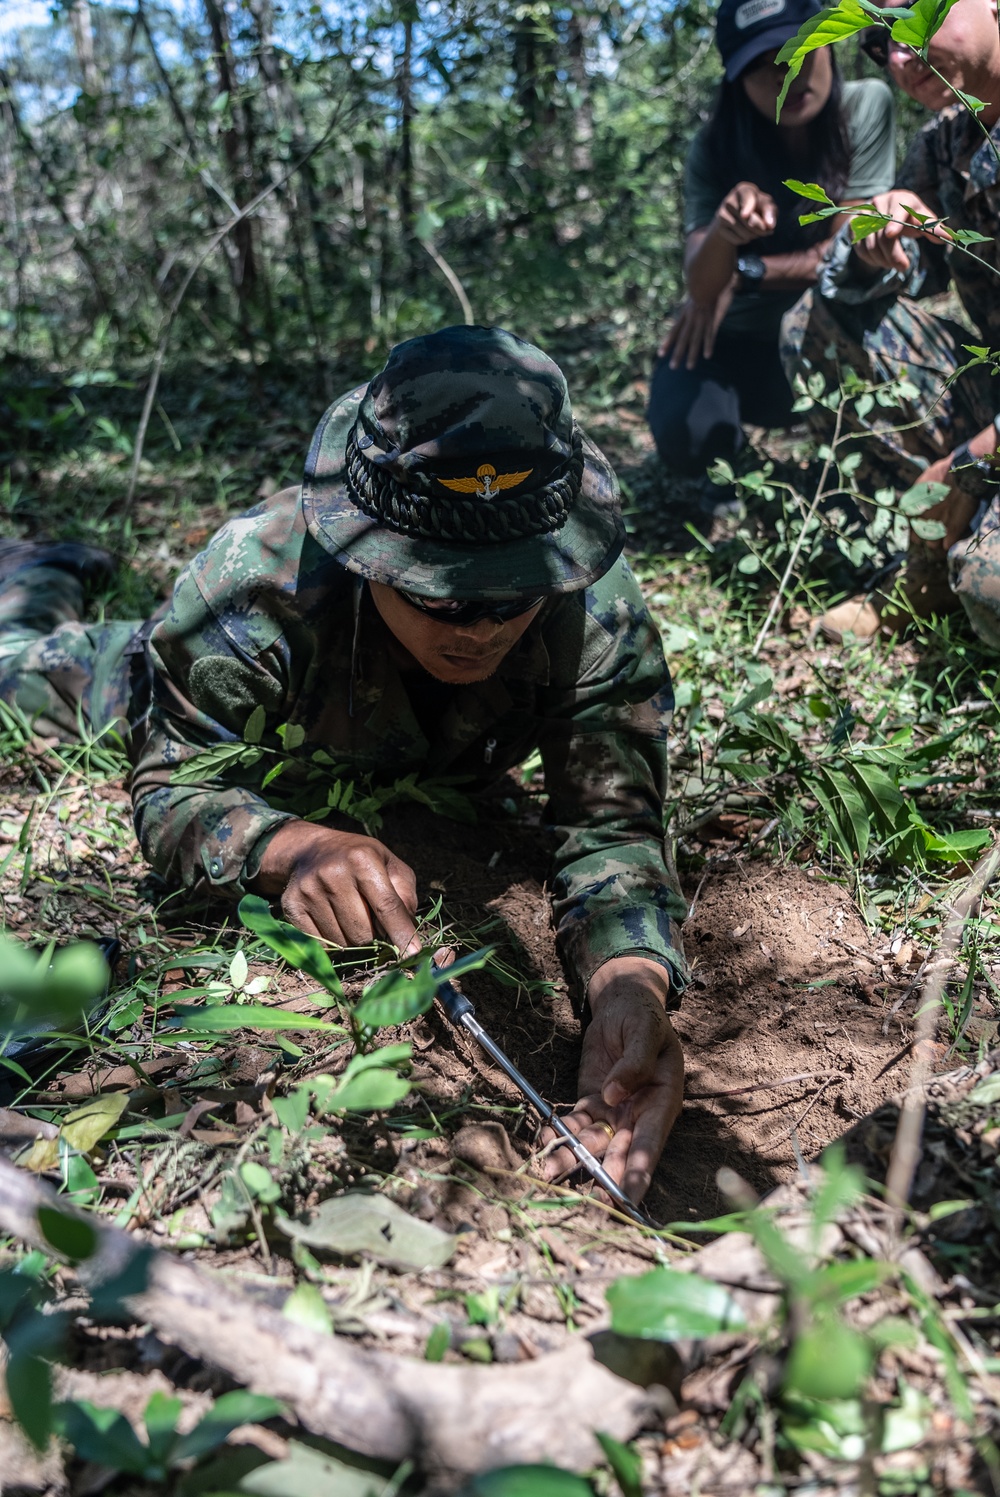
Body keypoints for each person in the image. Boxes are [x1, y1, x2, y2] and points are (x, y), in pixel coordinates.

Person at [0, 325, 688, 1207]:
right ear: (367, 554)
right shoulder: (252, 593)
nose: (477, 626)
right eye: (439, 590)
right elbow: (172, 784)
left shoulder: (594, 612)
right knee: (23, 665)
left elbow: (613, 826)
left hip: (431, 758)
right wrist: (286, 846)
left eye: (511, 594)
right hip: (152, 680)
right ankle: (40, 571)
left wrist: (629, 985)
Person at [781, 0, 1000, 645]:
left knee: (989, 588)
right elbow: (862, 282)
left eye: (919, 22)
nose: (902, 57)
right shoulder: (948, 140)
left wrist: (966, 462)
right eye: (882, 45)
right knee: (812, 326)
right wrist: (875, 229)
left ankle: (952, 548)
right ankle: (920, 551)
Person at [647, 0, 895, 510]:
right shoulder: (715, 147)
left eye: (797, 51)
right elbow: (701, 286)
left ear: (826, 45)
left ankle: (861, 465)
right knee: (684, 426)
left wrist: (747, 272)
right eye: (763, 66)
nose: (786, 76)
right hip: (746, 348)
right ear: (737, 82)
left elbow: (848, 253)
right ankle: (732, 467)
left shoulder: (866, 106)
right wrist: (725, 231)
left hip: (833, 336)